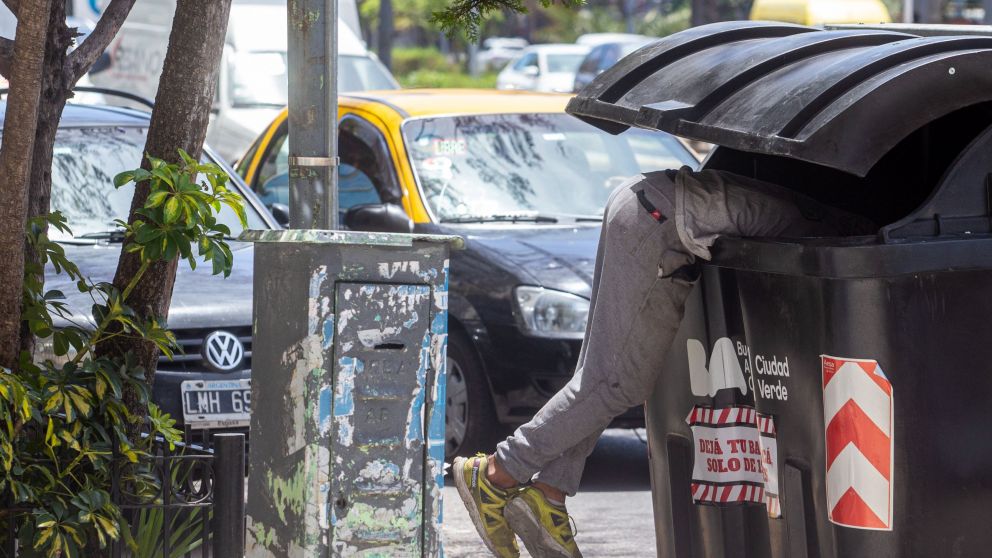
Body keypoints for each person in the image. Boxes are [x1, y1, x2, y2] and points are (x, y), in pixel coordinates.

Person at [453, 166, 873, 558]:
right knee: (617, 383)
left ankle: (549, 493)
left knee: (599, 377)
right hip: (657, 221)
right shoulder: (834, 227)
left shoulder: (810, 194)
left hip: (647, 205)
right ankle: (496, 473)